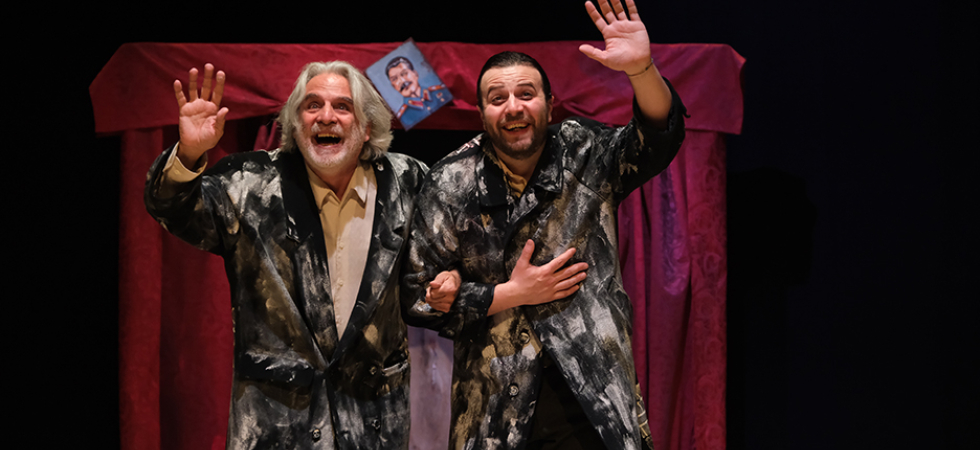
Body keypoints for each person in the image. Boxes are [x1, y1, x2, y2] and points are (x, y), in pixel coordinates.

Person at [401, 1, 687, 449]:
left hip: (595, 398)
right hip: (495, 410)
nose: (513, 108)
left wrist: (641, 70)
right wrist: (508, 294)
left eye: (526, 94)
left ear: (550, 105)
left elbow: (655, 140)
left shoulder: (582, 150)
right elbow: (416, 298)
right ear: (481, 113)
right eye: (498, 99)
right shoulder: (450, 181)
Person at [145, 61, 444, 449]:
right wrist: (188, 153)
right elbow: (173, 209)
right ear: (295, 124)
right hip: (276, 425)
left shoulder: (407, 181)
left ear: (367, 127)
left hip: (374, 424)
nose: (326, 116)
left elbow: (441, 259)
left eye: (342, 106)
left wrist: (449, 281)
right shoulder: (248, 183)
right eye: (312, 105)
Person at [385, 56, 451, 128]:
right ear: (394, 87)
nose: (402, 81)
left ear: (415, 74)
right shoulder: (402, 119)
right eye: (395, 79)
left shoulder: (443, 91)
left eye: (404, 73)